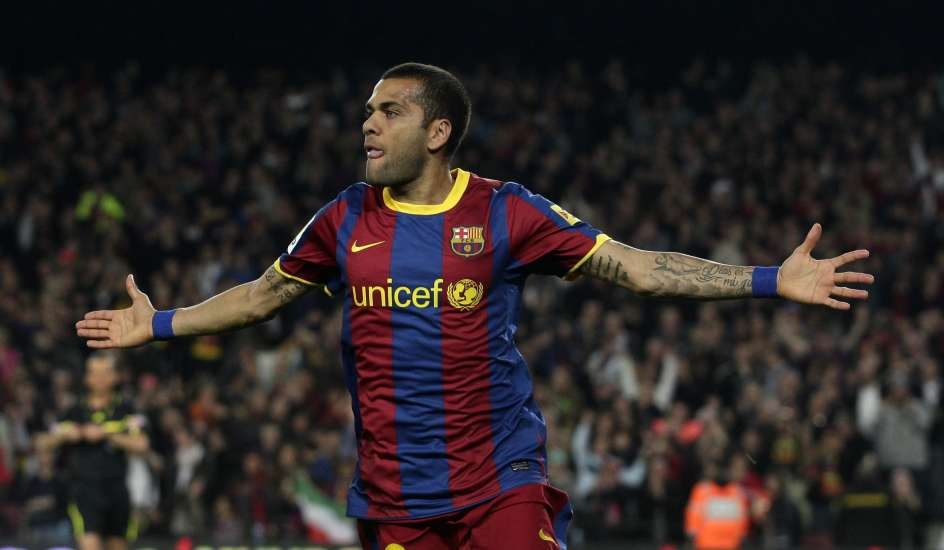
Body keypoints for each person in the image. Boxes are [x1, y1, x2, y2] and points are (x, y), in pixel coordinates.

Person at [75, 62, 874, 550]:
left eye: (388, 111)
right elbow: (261, 297)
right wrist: (161, 322)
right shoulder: (344, 218)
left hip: (499, 478)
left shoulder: (504, 211)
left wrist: (769, 279)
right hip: (395, 495)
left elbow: (634, 267)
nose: (367, 124)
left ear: (437, 131)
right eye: (367, 112)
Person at [36, 352, 150, 550]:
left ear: (115, 376)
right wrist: (66, 435)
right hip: (84, 490)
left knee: (118, 545)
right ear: (86, 377)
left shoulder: (126, 409)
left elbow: (142, 444)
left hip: (117, 490)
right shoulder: (74, 411)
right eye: (94, 373)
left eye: (105, 372)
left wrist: (106, 434)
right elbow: (42, 442)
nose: (99, 378)